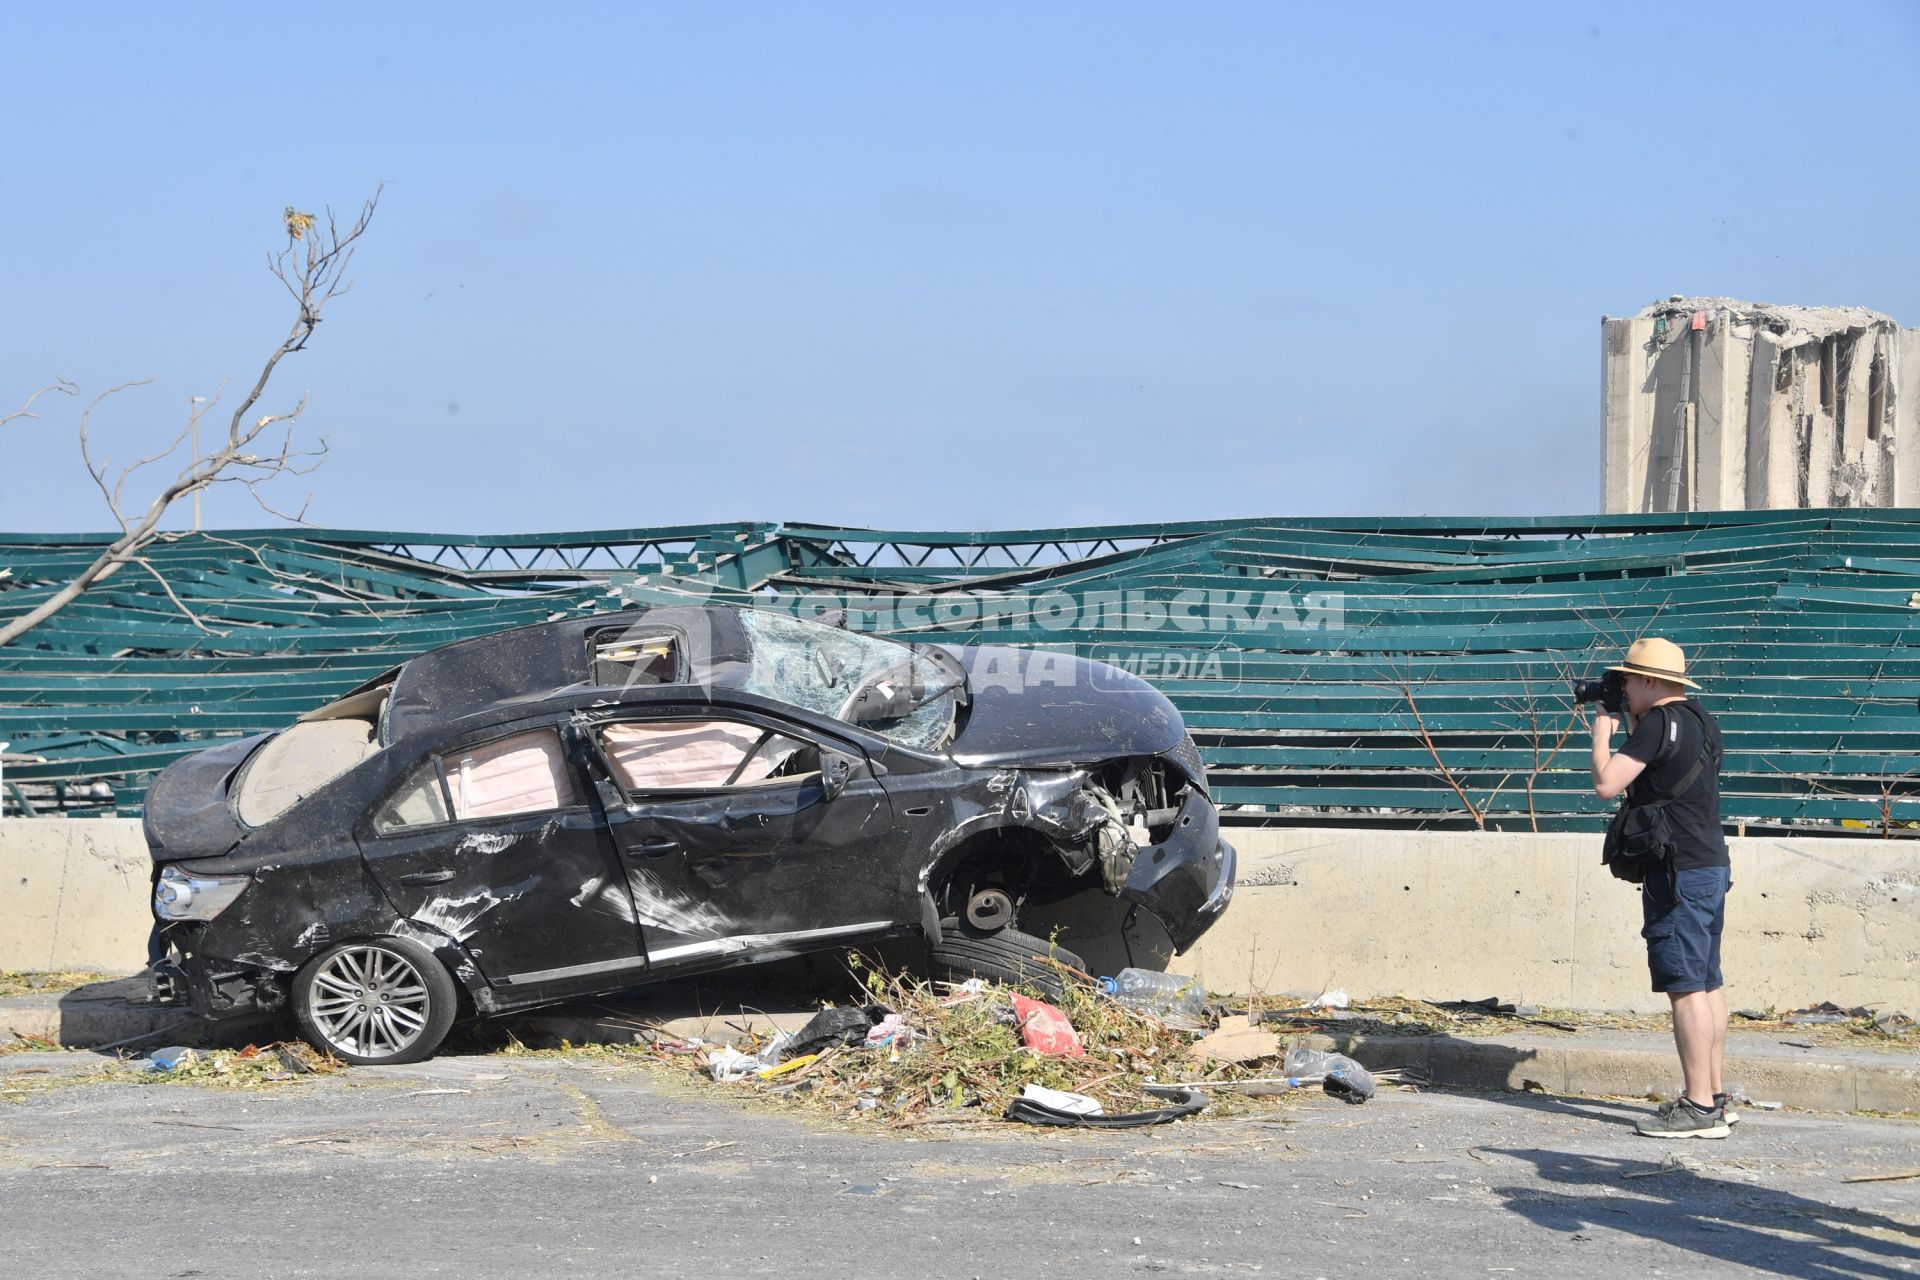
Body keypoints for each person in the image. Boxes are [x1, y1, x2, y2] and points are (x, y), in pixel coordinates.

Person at [1588, 636, 1733, 1139]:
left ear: (1649, 680)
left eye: (1628, 679)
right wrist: (1629, 720)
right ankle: (1714, 1096)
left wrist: (1601, 733)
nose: (1623, 688)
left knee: (1685, 987)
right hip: (1709, 865)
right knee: (1707, 983)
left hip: (1676, 873)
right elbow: (1662, 773)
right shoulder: (1699, 720)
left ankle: (1697, 1108)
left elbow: (1608, 783)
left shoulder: (1655, 724)